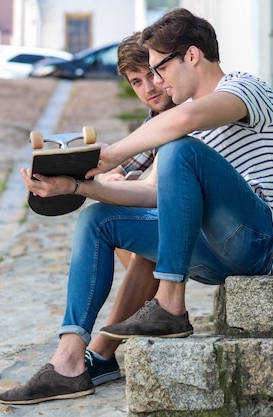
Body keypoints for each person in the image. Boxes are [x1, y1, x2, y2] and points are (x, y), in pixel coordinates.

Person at [0, 7, 273, 405]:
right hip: (218, 255)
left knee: (180, 148)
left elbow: (190, 117)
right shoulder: (185, 133)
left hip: (267, 242)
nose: (156, 82)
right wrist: (76, 185)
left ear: (192, 56)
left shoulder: (244, 88)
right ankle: (71, 360)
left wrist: (110, 155)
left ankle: (169, 304)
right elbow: (149, 195)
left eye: (160, 69)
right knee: (99, 219)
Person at [83, 32, 175, 387]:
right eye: (137, 81)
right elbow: (125, 163)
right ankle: (149, 309)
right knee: (116, 220)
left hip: (218, 228)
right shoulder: (156, 116)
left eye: (153, 74)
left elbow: (158, 192)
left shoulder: (188, 109)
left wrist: (118, 183)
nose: (149, 87)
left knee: (146, 232)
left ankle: (103, 350)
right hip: (182, 225)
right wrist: (112, 174)